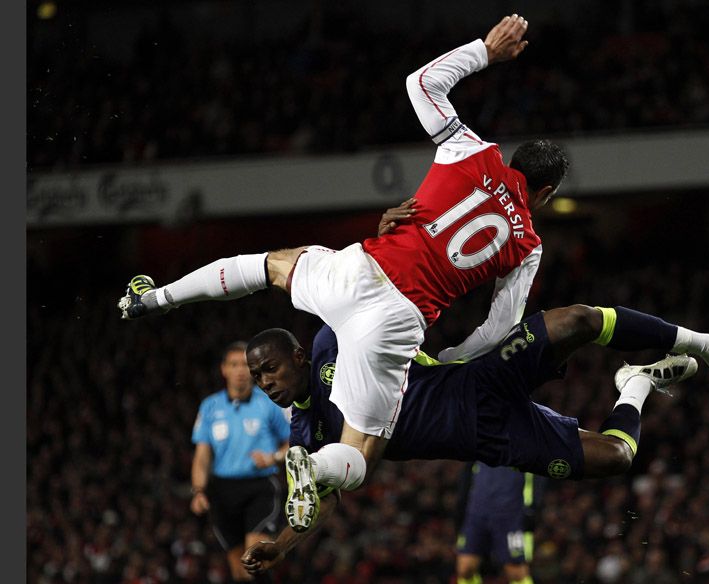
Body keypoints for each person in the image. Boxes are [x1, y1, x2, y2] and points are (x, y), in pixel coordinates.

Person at [118, 14, 569, 534]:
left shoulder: (473, 150)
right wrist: (449, 358)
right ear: (546, 195)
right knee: (361, 453)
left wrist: (486, 52)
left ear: (515, 161)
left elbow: (420, 82)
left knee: (270, 265)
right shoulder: (528, 245)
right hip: (396, 324)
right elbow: (498, 329)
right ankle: (312, 464)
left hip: (360, 271)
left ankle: (157, 298)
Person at [238, 301, 709, 574]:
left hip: (479, 376)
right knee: (616, 457)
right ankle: (634, 383)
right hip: (494, 438)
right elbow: (323, 501)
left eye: (270, 371)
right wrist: (282, 547)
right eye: (257, 378)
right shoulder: (309, 436)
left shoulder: (335, 339)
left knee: (579, 320)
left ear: (299, 356)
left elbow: (373, 289)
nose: (265, 384)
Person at [190, 341, 291, 582]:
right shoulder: (210, 406)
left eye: (245, 365)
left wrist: (273, 457)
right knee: (239, 572)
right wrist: (198, 490)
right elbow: (202, 455)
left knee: (253, 558)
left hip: (260, 488)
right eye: (234, 365)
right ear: (224, 369)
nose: (240, 371)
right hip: (222, 492)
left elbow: (294, 443)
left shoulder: (270, 403)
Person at [456, 462, 540, 584]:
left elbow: (537, 478)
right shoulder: (479, 446)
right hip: (476, 513)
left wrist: (531, 508)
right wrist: (461, 508)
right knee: (465, 568)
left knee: (516, 572)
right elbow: (467, 475)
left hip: (510, 516)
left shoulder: (524, 447)